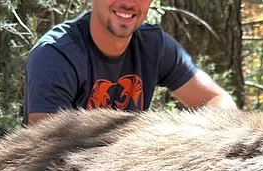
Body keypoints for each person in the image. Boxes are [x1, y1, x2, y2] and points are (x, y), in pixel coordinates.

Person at [23, 0, 236, 125]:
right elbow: (45, 152)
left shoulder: (154, 46)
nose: (128, 2)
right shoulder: (56, 55)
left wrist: (179, 135)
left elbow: (219, 100)